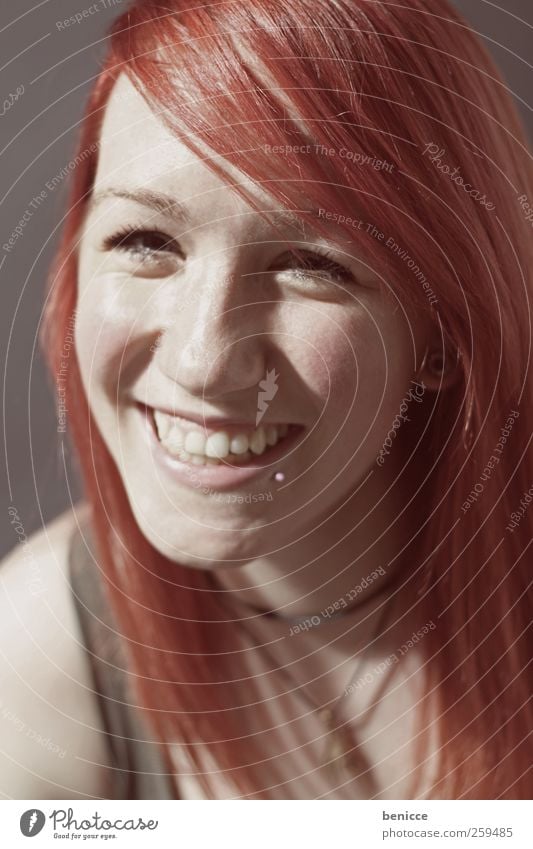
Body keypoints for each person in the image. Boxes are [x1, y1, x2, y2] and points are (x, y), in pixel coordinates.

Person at [1, 0, 532, 800]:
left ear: (441, 332)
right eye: (146, 242)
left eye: (310, 262)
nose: (202, 361)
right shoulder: (39, 652)